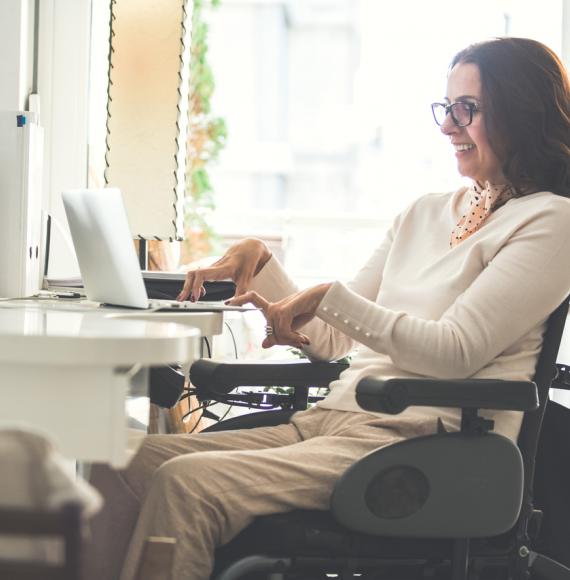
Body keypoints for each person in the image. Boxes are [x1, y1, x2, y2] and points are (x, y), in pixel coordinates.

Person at [84, 37, 570, 580]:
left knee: (187, 484)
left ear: (520, 113)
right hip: (328, 423)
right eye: (447, 108)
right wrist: (260, 261)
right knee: (116, 462)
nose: (449, 125)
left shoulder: (551, 222)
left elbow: (456, 352)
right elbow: (339, 338)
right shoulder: (424, 213)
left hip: (418, 443)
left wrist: (328, 297)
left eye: (468, 109)